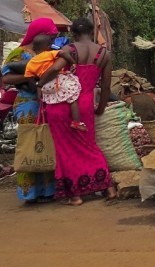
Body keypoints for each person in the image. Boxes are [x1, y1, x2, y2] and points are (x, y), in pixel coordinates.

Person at [39, 17, 116, 206]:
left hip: (63, 103)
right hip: (86, 104)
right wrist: (100, 108)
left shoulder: (69, 50)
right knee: (89, 146)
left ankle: (76, 195)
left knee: (66, 149)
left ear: (73, 33)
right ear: (91, 32)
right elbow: (106, 87)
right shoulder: (104, 54)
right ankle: (108, 187)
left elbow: (55, 68)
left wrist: (40, 83)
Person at [0, 18, 59, 202]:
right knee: (29, 143)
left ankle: (48, 191)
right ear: (38, 34)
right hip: (27, 103)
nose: (53, 39)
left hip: (48, 102)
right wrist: (29, 76)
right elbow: (6, 78)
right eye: (50, 35)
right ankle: (29, 192)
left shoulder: (49, 51)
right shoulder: (19, 53)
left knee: (46, 142)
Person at [24, 35, 85, 132]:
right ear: (48, 46)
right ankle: (76, 122)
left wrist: (38, 86)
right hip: (58, 80)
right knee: (73, 96)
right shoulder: (49, 53)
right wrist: (73, 62)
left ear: (34, 48)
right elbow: (63, 53)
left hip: (46, 86)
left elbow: (29, 79)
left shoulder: (30, 64)